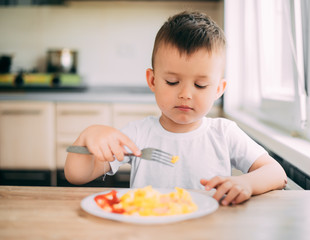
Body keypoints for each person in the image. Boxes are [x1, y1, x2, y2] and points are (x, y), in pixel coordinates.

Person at [65, 11, 287, 206]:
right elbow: (76, 175)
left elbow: (277, 173)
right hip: (149, 231)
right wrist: (88, 135)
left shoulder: (225, 133)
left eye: (200, 85)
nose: (185, 94)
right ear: (152, 81)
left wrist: (246, 183)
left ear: (219, 89)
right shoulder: (138, 134)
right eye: (172, 82)